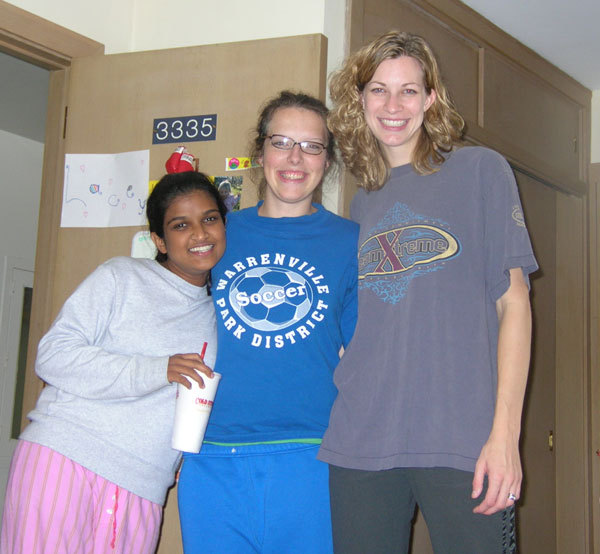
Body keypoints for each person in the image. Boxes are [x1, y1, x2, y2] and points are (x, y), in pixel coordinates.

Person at [317, 31, 538, 553]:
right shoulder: (362, 202)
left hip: (462, 439)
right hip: (361, 439)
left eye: (409, 90)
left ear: (431, 98)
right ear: (360, 100)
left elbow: (515, 305)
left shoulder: (481, 169)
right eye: (378, 90)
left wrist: (505, 436)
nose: (393, 106)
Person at [0, 171, 226, 554]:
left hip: (144, 484)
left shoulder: (223, 314)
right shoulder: (122, 277)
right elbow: (52, 356)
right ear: (160, 240)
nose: (200, 234)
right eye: (180, 225)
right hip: (65, 457)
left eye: (209, 218)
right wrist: (157, 368)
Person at [177, 91, 359, 553]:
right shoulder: (216, 234)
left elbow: (365, 357)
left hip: (312, 457)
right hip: (212, 455)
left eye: (312, 145)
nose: (295, 158)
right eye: (281, 142)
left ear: (327, 158)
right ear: (260, 151)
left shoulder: (352, 243)